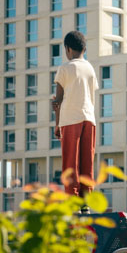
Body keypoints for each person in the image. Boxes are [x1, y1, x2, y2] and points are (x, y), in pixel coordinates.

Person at [53, 30, 98, 196]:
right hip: (89, 119)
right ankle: (86, 202)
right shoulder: (90, 69)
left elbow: (58, 100)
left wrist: (57, 124)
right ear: (84, 49)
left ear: (67, 49)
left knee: (71, 164)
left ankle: (72, 201)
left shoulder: (65, 68)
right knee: (87, 162)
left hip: (70, 119)